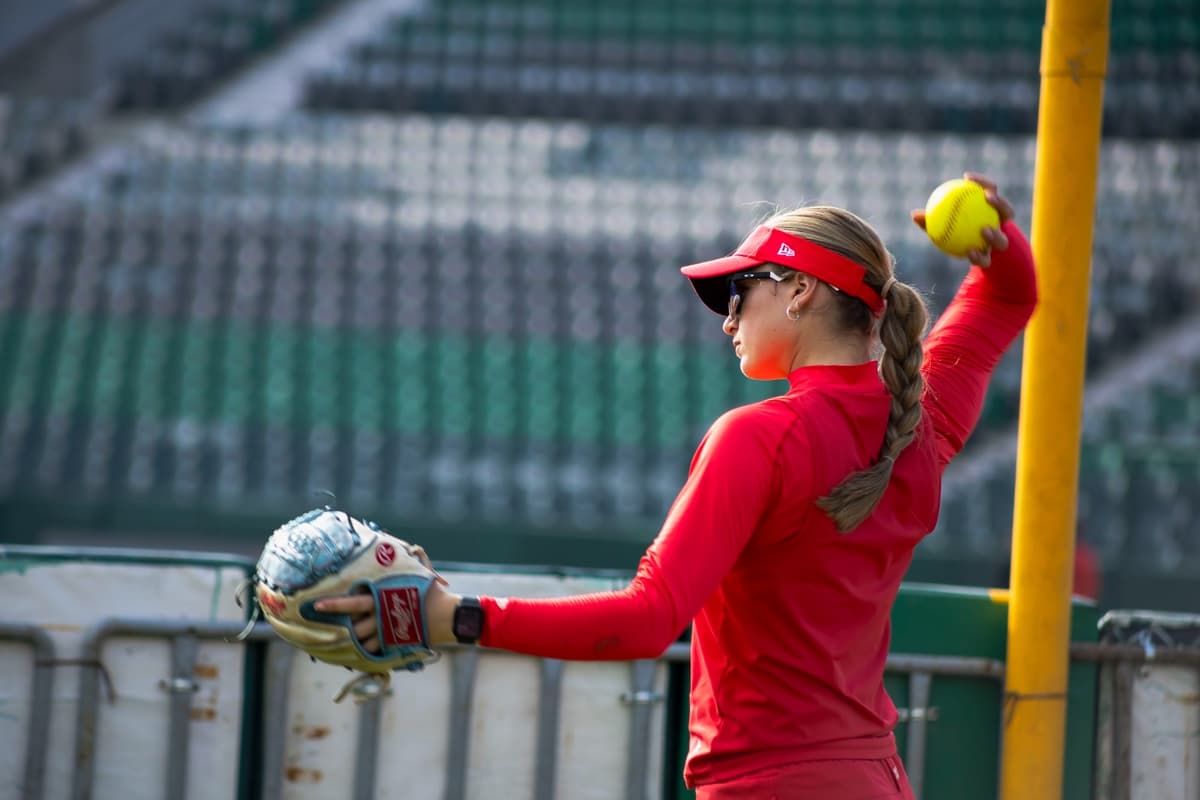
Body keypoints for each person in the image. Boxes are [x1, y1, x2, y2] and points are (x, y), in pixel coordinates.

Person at [315, 173, 1038, 798]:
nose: (727, 318)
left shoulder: (760, 436)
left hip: (771, 786)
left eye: (738, 290)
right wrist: (999, 238)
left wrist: (458, 618)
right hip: (875, 776)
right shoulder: (920, 418)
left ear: (800, 292)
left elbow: (647, 619)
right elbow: (1011, 298)